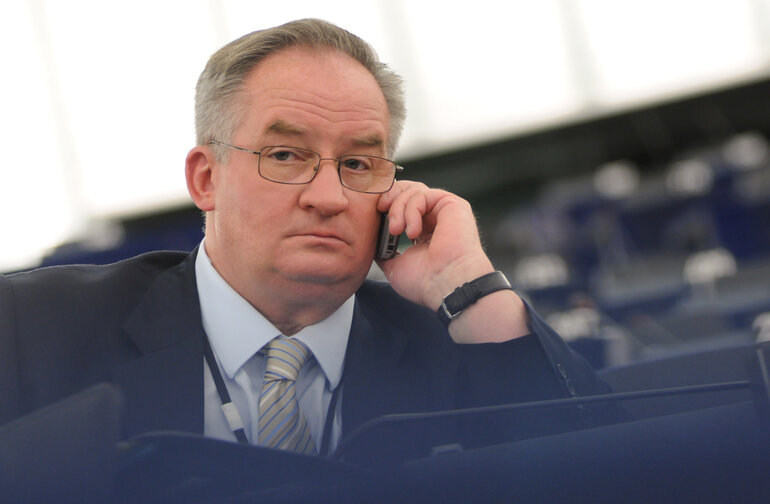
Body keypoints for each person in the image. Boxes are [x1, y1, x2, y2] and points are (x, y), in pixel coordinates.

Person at [0, 19, 618, 470]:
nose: (328, 196)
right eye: (286, 155)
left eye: (358, 163)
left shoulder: (460, 344)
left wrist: (471, 285)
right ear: (206, 179)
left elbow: (610, 484)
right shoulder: (31, 330)